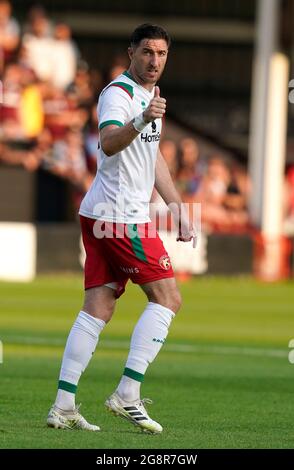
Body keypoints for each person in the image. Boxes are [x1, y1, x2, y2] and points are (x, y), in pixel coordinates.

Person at [47, 23, 195, 434]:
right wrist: (142, 118)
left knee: (99, 307)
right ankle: (127, 393)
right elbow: (109, 142)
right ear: (131, 52)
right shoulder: (119, 94)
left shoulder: (150, 96)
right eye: (147, 52)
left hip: (101, 213)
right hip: (120, 218)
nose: (154, 61)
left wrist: (178, 207)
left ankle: (63, 405)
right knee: (168, 298)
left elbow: (155, 158)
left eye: (162, 54)